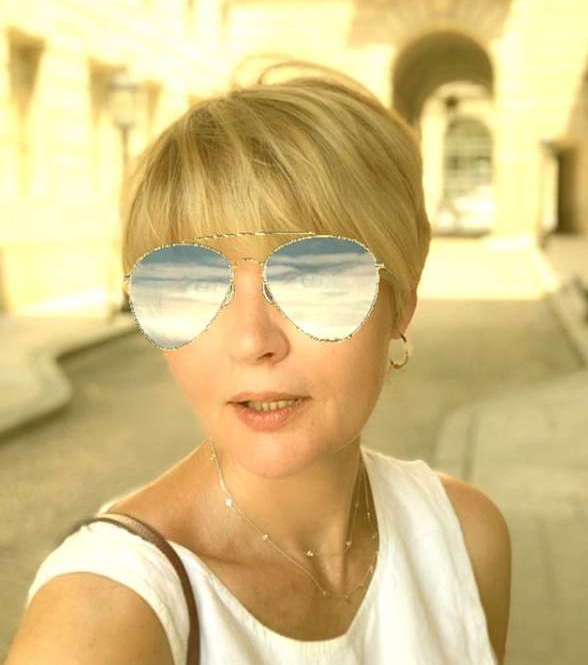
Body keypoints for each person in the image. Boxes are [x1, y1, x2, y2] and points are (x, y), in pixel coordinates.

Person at [5, 61, 510, 665]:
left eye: (314, 277)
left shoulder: (465, 540)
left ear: (400, 301)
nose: (251, 341)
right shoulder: (101, 617)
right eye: (190, 285)